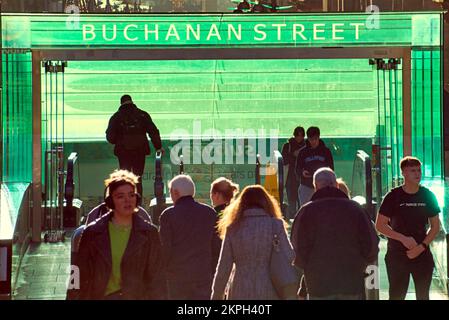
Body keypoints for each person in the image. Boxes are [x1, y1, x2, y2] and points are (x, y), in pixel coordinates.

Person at [291, 168, 379, 300]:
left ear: (315, 187)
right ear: (336, 185)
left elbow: (296, 247)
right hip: (352, 282)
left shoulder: (306, 211)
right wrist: (361, 265)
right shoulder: (356, 209)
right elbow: (372, 245)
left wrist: (308, 267)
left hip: (318, 284)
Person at [75, 170, 164, 300]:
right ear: (111, 202)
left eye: (131, 195)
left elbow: (158, 278)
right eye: (120, 196)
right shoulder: (92, 232)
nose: (127, 200)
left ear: (137, 198)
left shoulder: (149, 233)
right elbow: (78, 276)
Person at [211, 185, 295, 300]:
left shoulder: (233, 228)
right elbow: (289, 255)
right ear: (267, 203)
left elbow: (223, 267)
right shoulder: (276, 225)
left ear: (240, 204)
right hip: (270, 288)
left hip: (239, 290)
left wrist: (217, 296)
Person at [375, 156, 441, 300]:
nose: (417, 174)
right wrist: (403, 239)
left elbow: (436, 226)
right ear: (403, 173)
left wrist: (421, 247)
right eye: (412, 171)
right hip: (397, 255)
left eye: (419, 170)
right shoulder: (393, 196)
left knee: (423, 296)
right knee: (397, 295)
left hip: (422, 254)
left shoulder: (427, 195)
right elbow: (380, 225)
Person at [159, 175, 222, 300]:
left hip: (177, 279)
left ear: (175, 192)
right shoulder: (209, 213)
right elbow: (217, 248)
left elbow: (165, 249)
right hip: (203, 277)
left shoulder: (168, 215)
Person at [106, 94, 163, 197]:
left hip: (123, 152)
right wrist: (158, 147)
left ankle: (126, 202)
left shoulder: (116, 117)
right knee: (138, 178)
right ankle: (138, 203)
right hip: (140, 151)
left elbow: (110, 137)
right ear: (131, 101)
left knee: (125, 179)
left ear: (121, 103)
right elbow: (153, 131)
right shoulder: (142, 115)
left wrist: (119, 141)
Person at [295, 126, 334, 207]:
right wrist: (302, 172)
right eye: (311, 139)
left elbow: (331, 170)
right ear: (308, 139)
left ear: (319, 137)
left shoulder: (326, 151)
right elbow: (297, 169)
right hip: (306, 186)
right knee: (306, 210)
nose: (313, 141)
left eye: (315, 139)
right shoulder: (303, 152)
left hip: (323, 188)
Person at [281, 126, 307, 219]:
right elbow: (284, 160)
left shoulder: (306, 146)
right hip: (290, 177)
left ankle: (301, 219)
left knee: (302, 201)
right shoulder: (288, 145)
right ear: (294, 135)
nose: (299, 137)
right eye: (297, 135)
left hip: (302, 178)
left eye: (301, 135)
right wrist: (293, 155)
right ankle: (292, 220)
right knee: (291, 201)